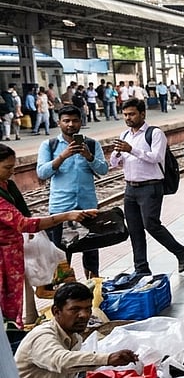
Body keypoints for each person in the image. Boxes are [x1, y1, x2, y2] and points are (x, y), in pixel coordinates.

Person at [0, 145, 94, 324]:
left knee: (12, 302)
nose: (12, 172)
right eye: (7, 168)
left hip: (13, 253)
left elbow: (24, 213)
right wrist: (66, 215)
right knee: (6, 304)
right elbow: (23, 223)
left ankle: (15, 328)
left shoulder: (6, 184)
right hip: (3, 257)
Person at [110, 99, 184, 275]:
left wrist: (131, 150)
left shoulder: (155, 133)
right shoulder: (125, 135)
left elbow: (156, 157)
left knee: (151, 224)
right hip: (130, 187)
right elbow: (115, 164)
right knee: (134, 229)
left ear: (142, 114)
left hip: (151, 186)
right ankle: (141, 268)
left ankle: (180, 251)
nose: (128, 118)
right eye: (125, 115)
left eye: (132, 114)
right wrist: (117, 155)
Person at [36, 106, 108, 279]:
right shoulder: (49, 145)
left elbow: (104, 169)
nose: (70, 124)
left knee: (91, 253)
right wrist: (62, 156)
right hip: (61, 209)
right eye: (66, 121)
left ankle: (93, 286)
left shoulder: (92, 144)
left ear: (80, 122)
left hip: (87, 207)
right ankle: (63, 289)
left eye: (75, 121)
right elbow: (42, 173)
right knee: (61, 254)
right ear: (59, 123)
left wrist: (89, 157)